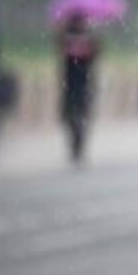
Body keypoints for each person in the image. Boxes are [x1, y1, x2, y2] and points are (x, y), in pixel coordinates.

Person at [57, 13, 99, 164]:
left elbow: (95, 56)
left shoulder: (89, 37)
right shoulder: (67, 36)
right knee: (69, 116)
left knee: (82, 114)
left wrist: (93, 44)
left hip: (83, 82)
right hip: (70, 83)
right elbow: (60, 51)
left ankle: (79, 143)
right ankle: (75, 141)